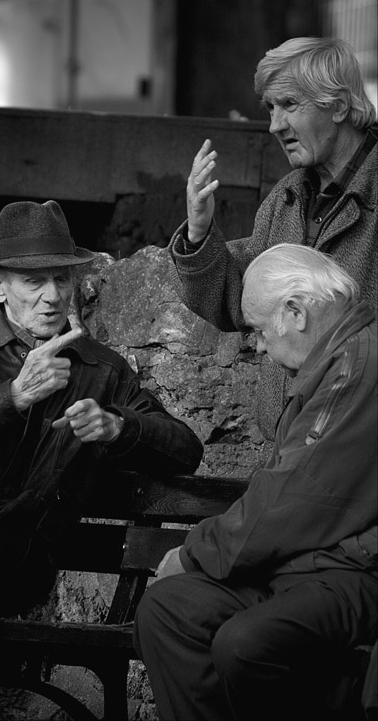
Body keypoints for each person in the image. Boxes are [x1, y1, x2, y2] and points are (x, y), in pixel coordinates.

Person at [0, 199, 203, 720]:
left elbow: (185, 449)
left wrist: (118, 426)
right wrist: (11, 398)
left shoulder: (102, 371)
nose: (52, 295)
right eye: (33, 281)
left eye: (62, 279)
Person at [134, 243, 377, 721]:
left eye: (260, 331)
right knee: (167, 610)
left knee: (245, 644)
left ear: (296, 312)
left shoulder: (357, 367)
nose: (259, 347)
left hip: (353, 573)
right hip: (306, 566)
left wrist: (192, 553)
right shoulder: (334, 360)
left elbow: (292, 498)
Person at [168, 36, 377, 441]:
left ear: (338, 106)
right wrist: (198, 231)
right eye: (270, 107)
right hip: (289, 441)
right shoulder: (286, 198)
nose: (275, 125)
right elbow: (239, 302)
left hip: (357, 444)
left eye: (289, 104)